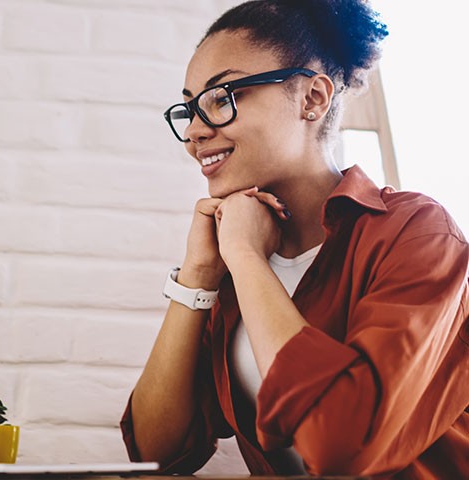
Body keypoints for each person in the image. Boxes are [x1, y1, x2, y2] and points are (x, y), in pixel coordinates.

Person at [120, 0, 469, 477]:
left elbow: (342, 447)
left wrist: (245, 258)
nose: (195, 134)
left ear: (312, 98)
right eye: (190, 108)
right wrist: (198, 277)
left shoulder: (416, 233)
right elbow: (155, 453)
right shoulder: (232, 259)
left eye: (222, 98)